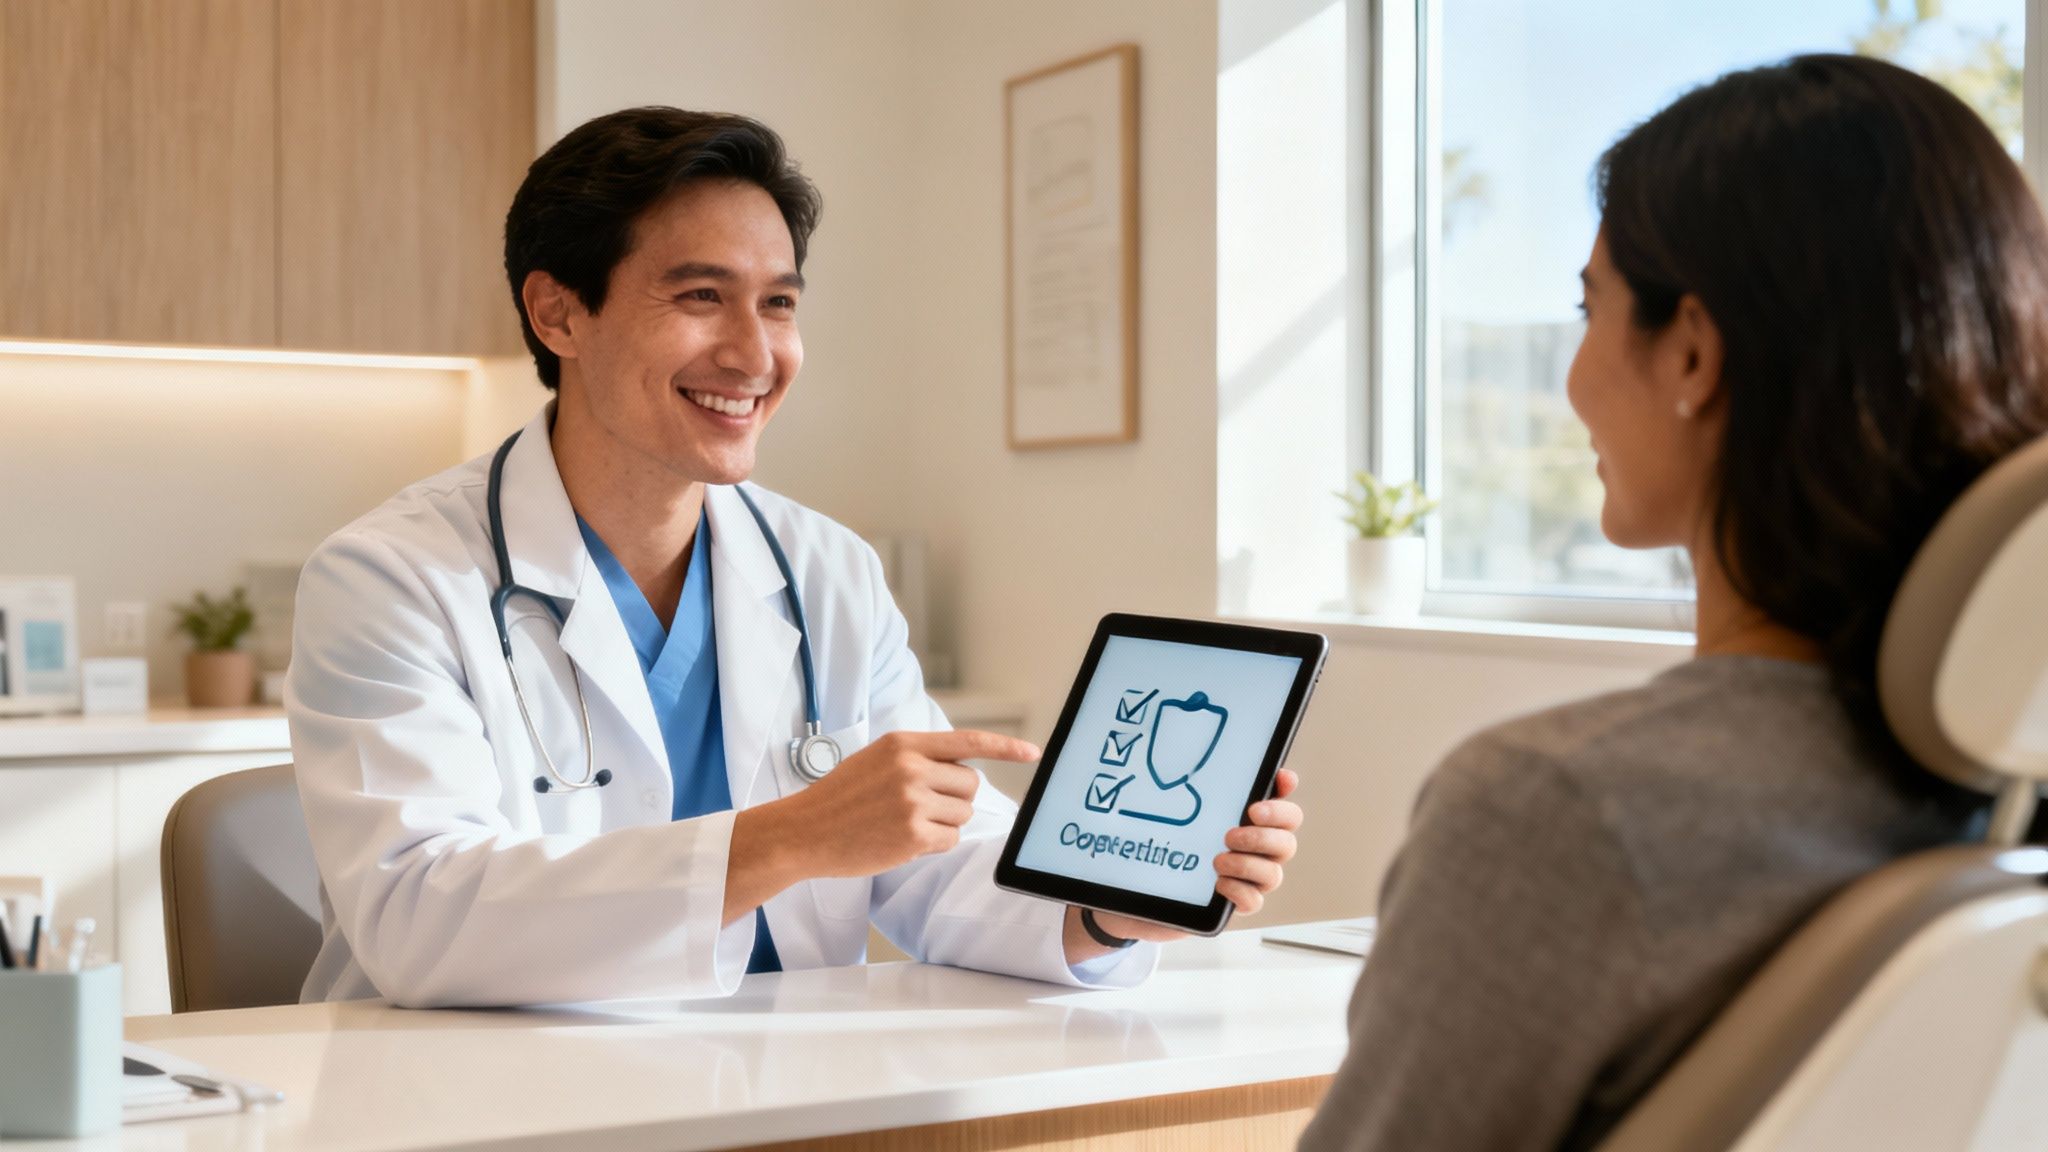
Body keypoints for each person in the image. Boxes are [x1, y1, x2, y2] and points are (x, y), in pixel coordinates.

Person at [285, 107, 1304, 1008]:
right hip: (470, 1101)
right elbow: (417, 917)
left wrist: (1104, 912)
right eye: (700, 297)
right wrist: (792, 837)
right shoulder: (392, 577)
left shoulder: (826, 570)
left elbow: (933, 867)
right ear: (559, 313)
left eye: (778, 303)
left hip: (778, 1090)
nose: (754, 353)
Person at [1299, 54, 2048, 1152]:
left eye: (1587, 307)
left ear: (1691, 351)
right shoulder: (1996, 816)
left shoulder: (1553, 810)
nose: (1570, 375)